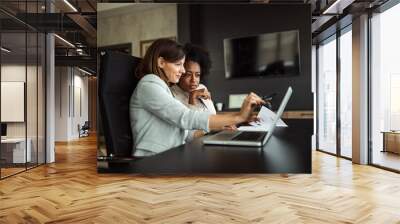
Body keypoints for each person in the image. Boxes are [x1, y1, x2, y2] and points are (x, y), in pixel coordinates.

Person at [130, 38, 265, 157]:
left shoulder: (161, 87)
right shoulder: (149, 84)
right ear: (161, 62)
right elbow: (185, 117)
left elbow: (184, 126)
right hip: (153, 160)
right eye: (178, 65)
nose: (182, 71)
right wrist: (239, 117)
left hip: (171, 155)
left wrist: (241, 117)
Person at [170, 43, 216, 114]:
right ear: (179, 72)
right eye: (188, 74)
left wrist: (223, 125)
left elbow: (212, 115)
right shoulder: (171, 95)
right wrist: (192, 98)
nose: (193, 80)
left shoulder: (202, 88)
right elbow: (190, 123)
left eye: (197, 75)